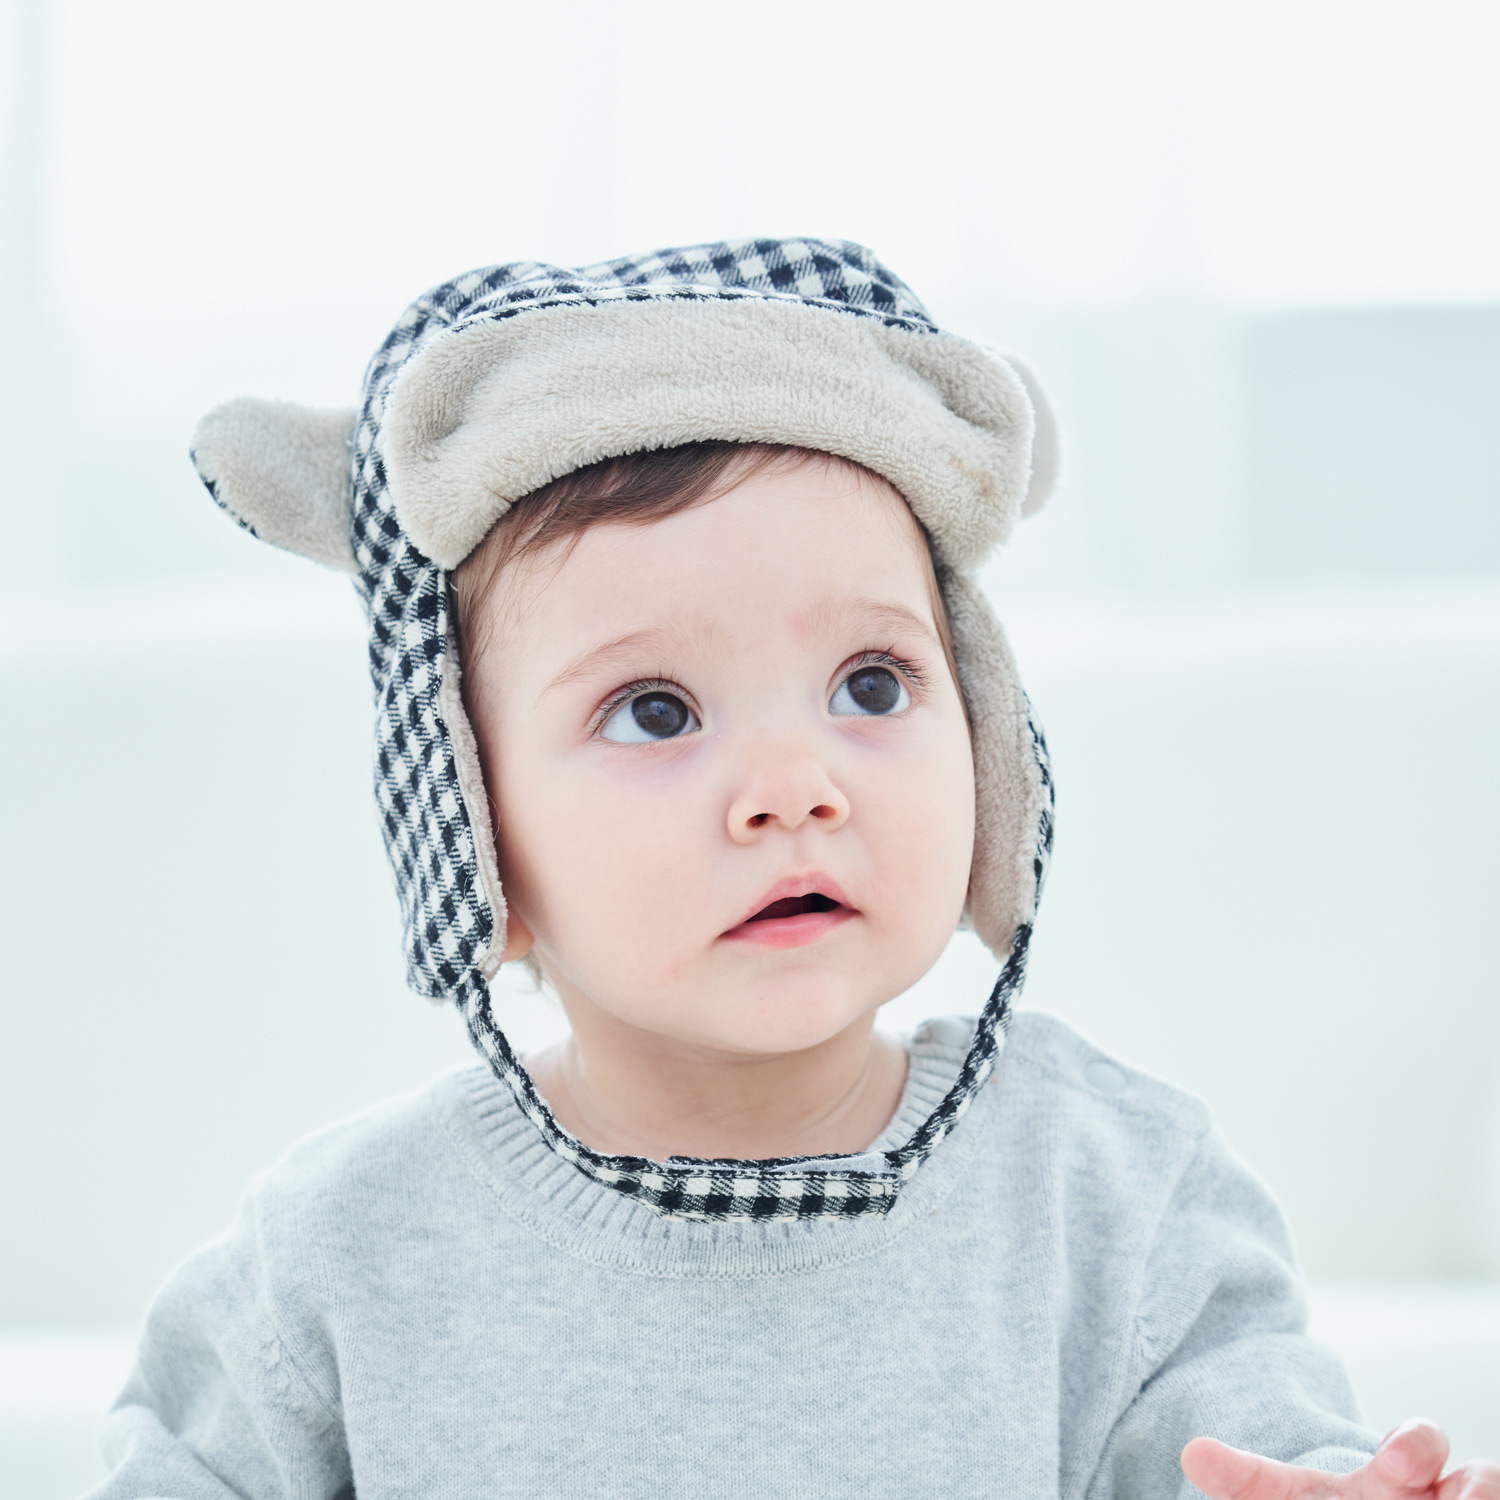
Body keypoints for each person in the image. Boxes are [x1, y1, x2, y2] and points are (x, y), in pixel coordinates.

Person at [93, 239, 1495, 1499]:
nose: (793, 789)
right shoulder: (345, 1260)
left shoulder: (1116, 1198)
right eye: (655, 711)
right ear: (470, 837)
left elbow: (1250, 1456)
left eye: (873, 684)